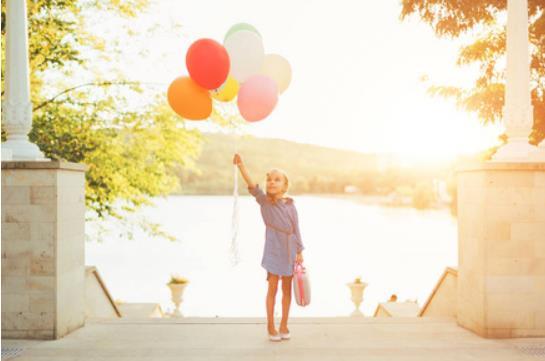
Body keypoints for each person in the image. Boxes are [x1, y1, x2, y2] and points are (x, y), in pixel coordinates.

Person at [233, 153, 305, 342]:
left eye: (277, 180)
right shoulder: (265, 201)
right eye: (269, 179)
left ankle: (284, 324)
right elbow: (252, 187)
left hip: (289, 249)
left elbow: (296, 229)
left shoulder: (291, 205)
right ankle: (271, 325)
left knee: (287, 290)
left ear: (285, 185)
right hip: (274, 249)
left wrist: (299, 251)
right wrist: (241, 166)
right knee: (273, 288)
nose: (272, 182)